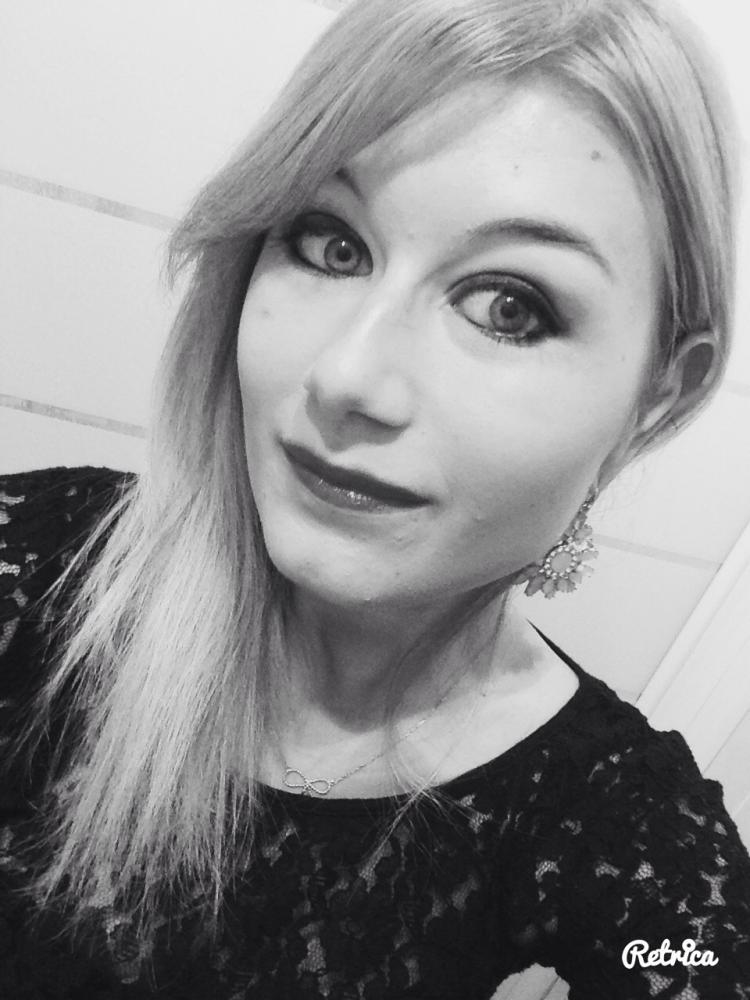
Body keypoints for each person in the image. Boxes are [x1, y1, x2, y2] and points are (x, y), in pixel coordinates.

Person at [1, 0, 749, 996]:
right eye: (331, 244)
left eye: (508, 307)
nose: (347, 377)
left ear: (660, 392)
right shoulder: (45, 563)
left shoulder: (619, 826)